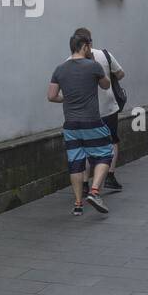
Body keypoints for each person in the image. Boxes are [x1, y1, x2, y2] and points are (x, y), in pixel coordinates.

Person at [47, 31, 112, 216]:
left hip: (70, 125)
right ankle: (94, 192)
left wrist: (66, 99)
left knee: (76, 162)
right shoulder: (93, 66)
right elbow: (106, 85)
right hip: (91, 121)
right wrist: (94, 61)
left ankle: (77, 204)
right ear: (85, 46)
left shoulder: (60, 69)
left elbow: (51, 96)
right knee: (105, 153)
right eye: (89, 46)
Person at [73, 27, 126, 191]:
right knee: (112, 142)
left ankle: (84, 183)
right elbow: (121, 73)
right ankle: (110, 175)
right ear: (90, 41)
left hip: (84, 112)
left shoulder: (71, 60)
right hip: (108, 108)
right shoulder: (105, 55)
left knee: (85, 146)